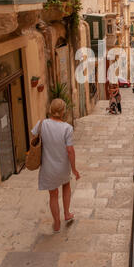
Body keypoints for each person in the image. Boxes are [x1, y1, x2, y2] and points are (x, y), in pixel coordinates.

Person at [31, 98, 81, 233]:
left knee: (53, 195)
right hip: (62, 166)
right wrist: (74, 169)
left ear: (51, 109)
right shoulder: (67, 128)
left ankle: (57, 222)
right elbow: (70, 150)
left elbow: (33, 137)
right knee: (66, 186)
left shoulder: (41, 124)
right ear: (63, 111)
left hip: (48, 167)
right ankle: (67, 214)